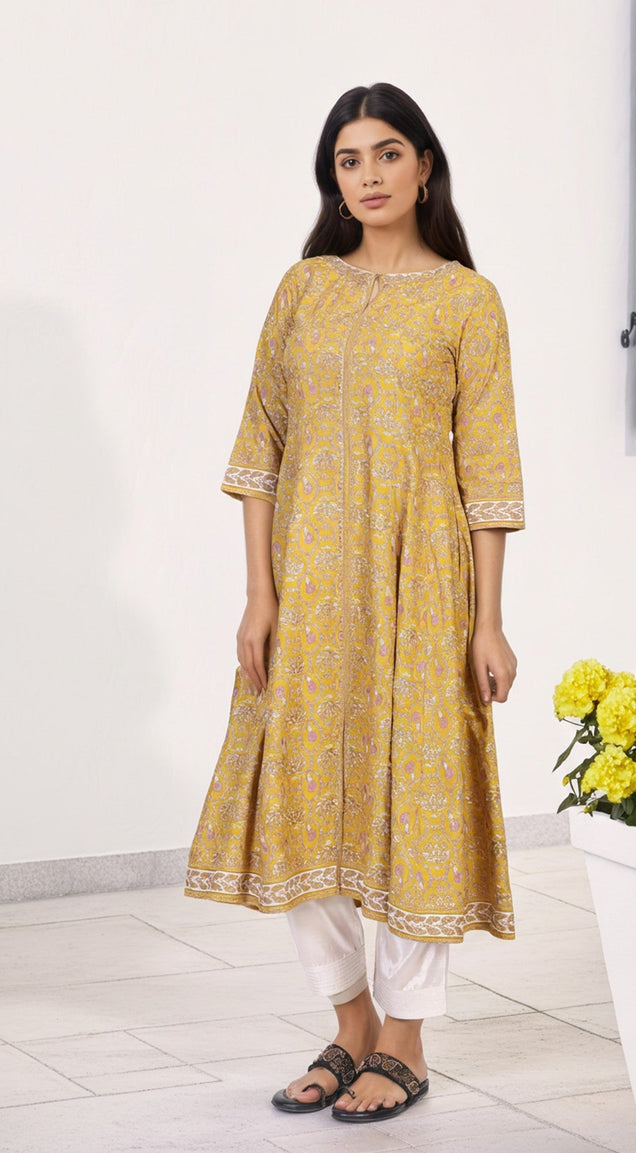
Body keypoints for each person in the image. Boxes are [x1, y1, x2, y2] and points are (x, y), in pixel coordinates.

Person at [185, 81, 525, 1123]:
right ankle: (349, 1023)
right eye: (348, 159)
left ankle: (405, 1040)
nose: (368, 175)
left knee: (417, 800)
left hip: (422, 590)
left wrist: (487, 620)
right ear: (331, 181)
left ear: (424, 167)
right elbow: (260, 448)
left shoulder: (466, 302)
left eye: (386, 153)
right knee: (302, 799)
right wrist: (259, 596)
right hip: (307, 590)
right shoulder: (303, 290)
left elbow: (488, 474)